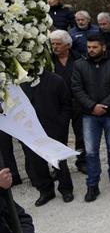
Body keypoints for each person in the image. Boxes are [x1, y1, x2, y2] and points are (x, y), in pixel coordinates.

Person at [71, 33, 110, 202]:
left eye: (94, 47)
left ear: (103, 47)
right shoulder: (79, 65)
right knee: (91, 152)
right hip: (89, 115)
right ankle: (92, 185)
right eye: (89, 47)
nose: (91, 50)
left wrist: (104, 106)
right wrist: (92, 106)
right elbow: (76, 88)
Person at [21, 71, 74, 206]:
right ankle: (46, 191)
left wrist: (62, 123)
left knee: (59, 161)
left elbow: (66, 104)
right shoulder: (21, 83)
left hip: (54, 128)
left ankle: (66, 189)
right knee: (36, 162)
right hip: (31, 132)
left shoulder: (56, 80)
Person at [50, 29, 86, 173]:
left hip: (77, 101)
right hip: (57, 104)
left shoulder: (79, 59)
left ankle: (82, 161)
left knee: (81, 134)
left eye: (58, 44)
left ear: (68, 45)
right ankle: (58, 165)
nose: (55, 47)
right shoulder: (49, 61)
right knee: (58, 135)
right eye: (53, 44)